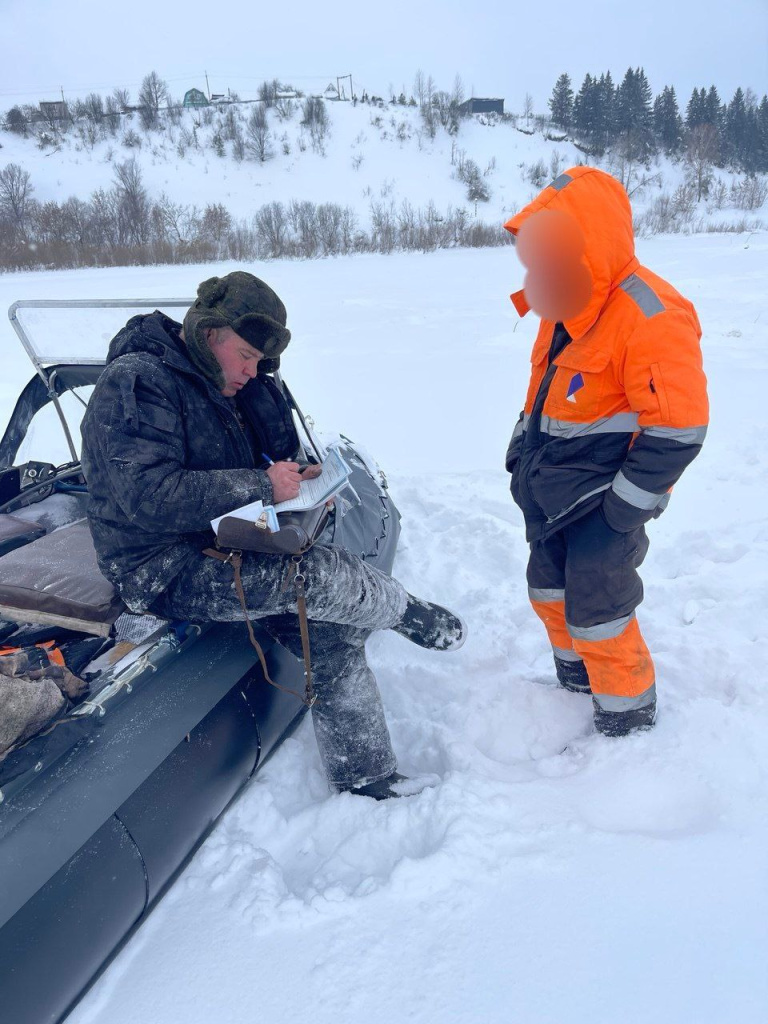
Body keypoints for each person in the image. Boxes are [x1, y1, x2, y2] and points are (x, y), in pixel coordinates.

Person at [80, 271, 465, 799]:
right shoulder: (137, 384)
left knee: (330, 634)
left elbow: (245, 458)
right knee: (314, 576)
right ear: (209, 332)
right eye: (245, 355)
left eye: (259, 361)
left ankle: (367, 777)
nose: (250, 369)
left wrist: (294, 476)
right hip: (162, 565)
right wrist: (261, 484)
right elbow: (146, 496)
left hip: (224, 535)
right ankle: (405, 612)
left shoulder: (224, 381)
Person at [503, 167, 708, 737]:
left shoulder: (650, 313)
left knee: (600, 612)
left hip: (603, 499)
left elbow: (680, 428)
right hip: (549, 493)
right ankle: (574, 689)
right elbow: (545, 393)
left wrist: (624, 508)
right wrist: (520, 450)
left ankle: (627, 724)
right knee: (547, 590)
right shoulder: (563, 305)